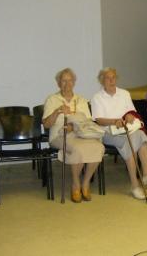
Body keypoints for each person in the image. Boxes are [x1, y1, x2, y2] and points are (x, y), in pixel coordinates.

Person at [91, 68, 147, 200]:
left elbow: (132, 113)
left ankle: (145, 174)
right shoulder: (96, 97)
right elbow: (98, 120)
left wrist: (129, 116)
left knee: (140, 135)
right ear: (102, 81)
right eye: (107, 78)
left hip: (127, 130)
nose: (111, 80)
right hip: (108, 132)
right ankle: (135, 185)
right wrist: (114, 121)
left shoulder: (124, 94)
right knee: (132, 142)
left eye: (113, 77)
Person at [42, 68, 104, 203]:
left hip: (81, 135)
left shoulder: (80, 100)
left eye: (70, 80)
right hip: (59, 136)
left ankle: (86, 183)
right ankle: (76, 184)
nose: (67, 83)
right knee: (78, 150)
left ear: (74, 82)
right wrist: (57, 111)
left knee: (98, 147)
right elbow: (46, 125)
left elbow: (87, 122)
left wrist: (73, 127)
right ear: (58, 83)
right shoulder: (52, 99)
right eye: (63, 81)